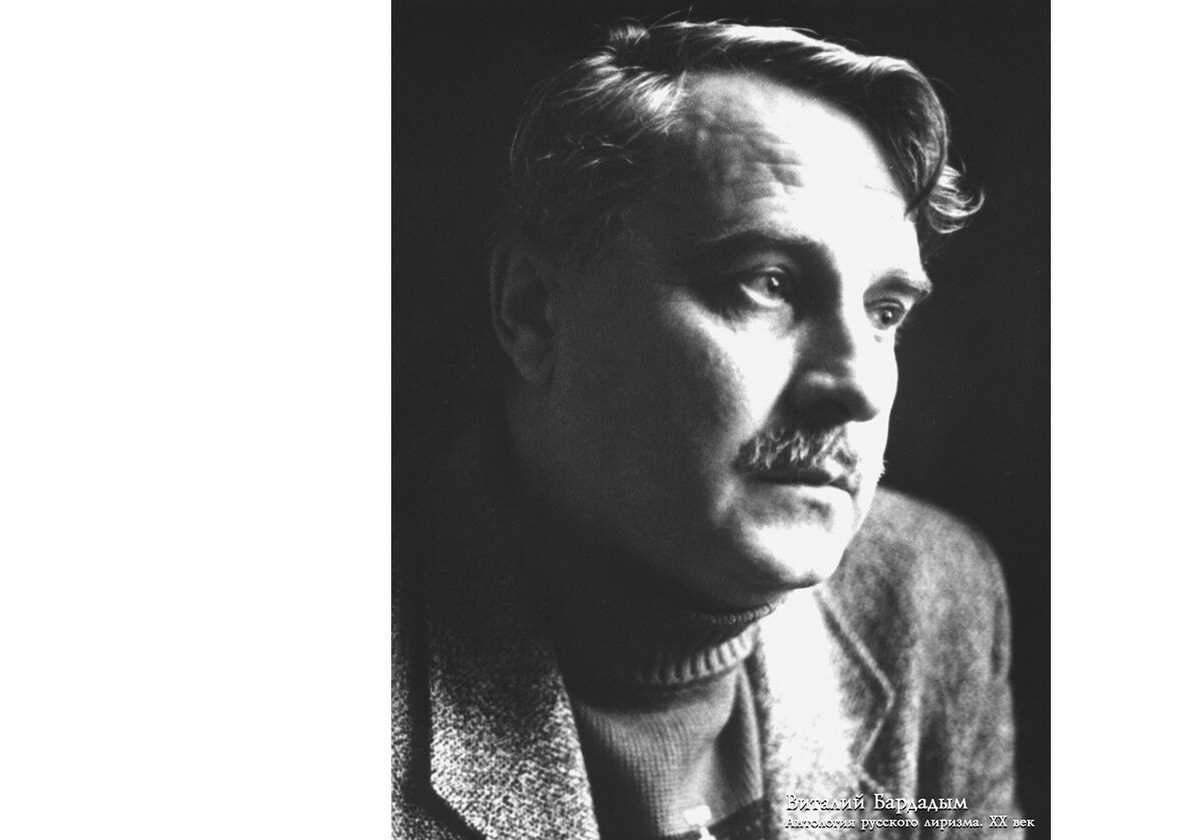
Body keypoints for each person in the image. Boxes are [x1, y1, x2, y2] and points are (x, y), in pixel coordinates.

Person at [394, 19, 1025, 840]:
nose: (858, 387)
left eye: (884, 312)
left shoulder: (932, 594)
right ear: (535, 312)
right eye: (767, 283)